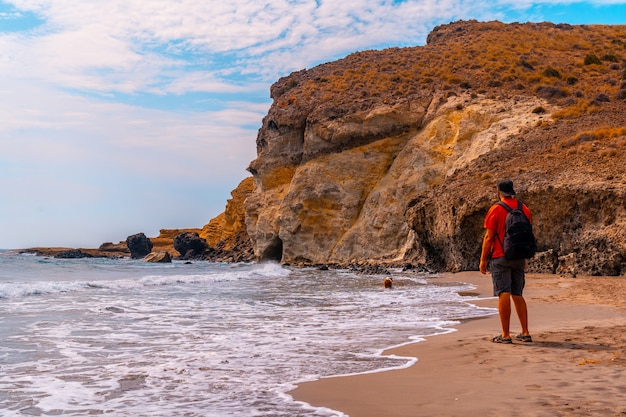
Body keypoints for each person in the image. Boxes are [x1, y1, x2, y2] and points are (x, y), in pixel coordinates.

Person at [479, 179, 533, 344]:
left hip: (500, 256)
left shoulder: (495, 209)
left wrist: (483, 260)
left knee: (503, 293)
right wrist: (525, 258)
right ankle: (525, 332)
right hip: (519, 256)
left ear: (498, 192)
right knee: (518, 294)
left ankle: (505, 334)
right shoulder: (524, 209)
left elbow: (489, 237)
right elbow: (527, 234)